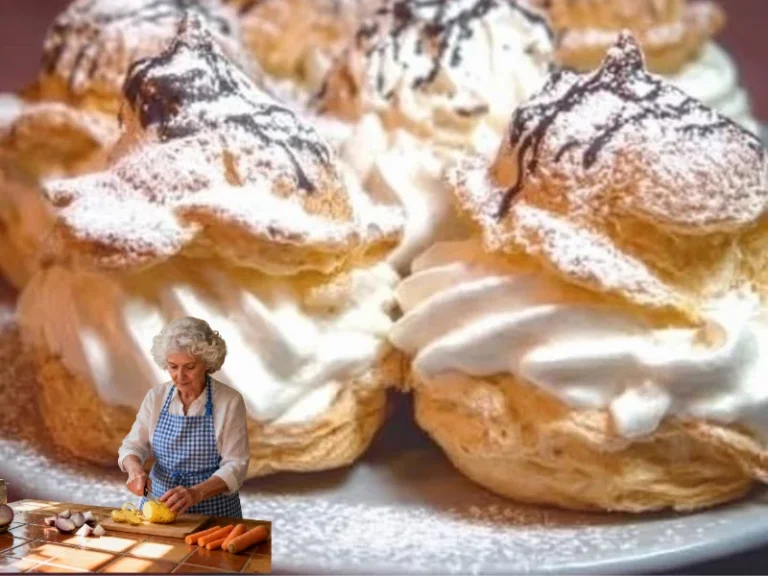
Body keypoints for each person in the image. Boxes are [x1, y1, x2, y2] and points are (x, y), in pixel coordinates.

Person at [118, 317, 250, 517]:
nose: (180, 376)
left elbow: (236, 465)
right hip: (158, 506)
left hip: (214, 511)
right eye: (173, 366)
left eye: (189, 367)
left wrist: (197, 492)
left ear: (207, 363)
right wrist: (135, 470)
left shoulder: (229, 401)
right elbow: (132, 446)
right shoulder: (156, 397)